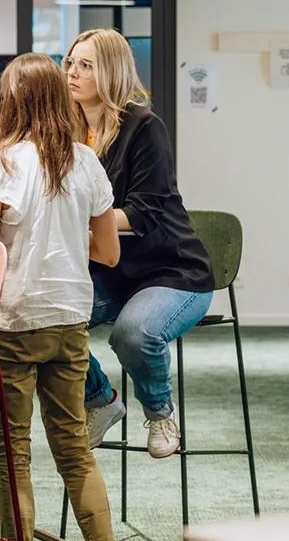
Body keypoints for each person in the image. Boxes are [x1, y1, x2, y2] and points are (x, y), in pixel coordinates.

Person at [0, 52, 124, 541]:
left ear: (11, 103)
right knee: (74, 447)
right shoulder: (86, 162)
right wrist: (61, 240)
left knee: (12, 454)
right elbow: (108, 252)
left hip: (13, 321)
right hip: (70, 318)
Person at [65, 28, 215, 460]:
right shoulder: (68, 130)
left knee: (133, 333)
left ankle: (161, 411)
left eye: (86, 65)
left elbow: (143, 213)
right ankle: (100, 398)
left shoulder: (144, 127)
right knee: (48, 321)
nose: (72, 72)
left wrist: (74, 220)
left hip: (172, 271)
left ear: (111, 72)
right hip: (110, 270)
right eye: (71, 63)